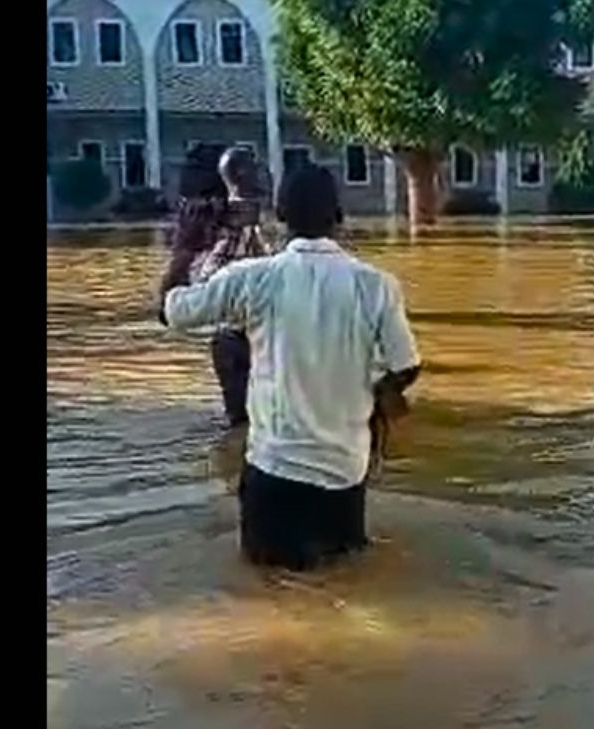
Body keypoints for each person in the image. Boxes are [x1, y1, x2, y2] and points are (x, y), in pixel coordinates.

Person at [159, 164, 422, 569]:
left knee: (269, 596)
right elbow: (407, 366)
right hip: (344, 476)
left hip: (273, 473)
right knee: (343, 586)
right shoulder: (376, 286)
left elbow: (171, 312)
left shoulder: (253, 278)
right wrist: (380, 396)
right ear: (339, 215)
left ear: (278, 214)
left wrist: (184, 249)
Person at [158, 146, 269, 426]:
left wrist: (184, 252)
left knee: (246, 425)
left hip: (244, 339)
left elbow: (172, 311)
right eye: (253, 166)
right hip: (249, 341)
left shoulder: (240, 232)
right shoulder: (241, 233)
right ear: (240, 175)